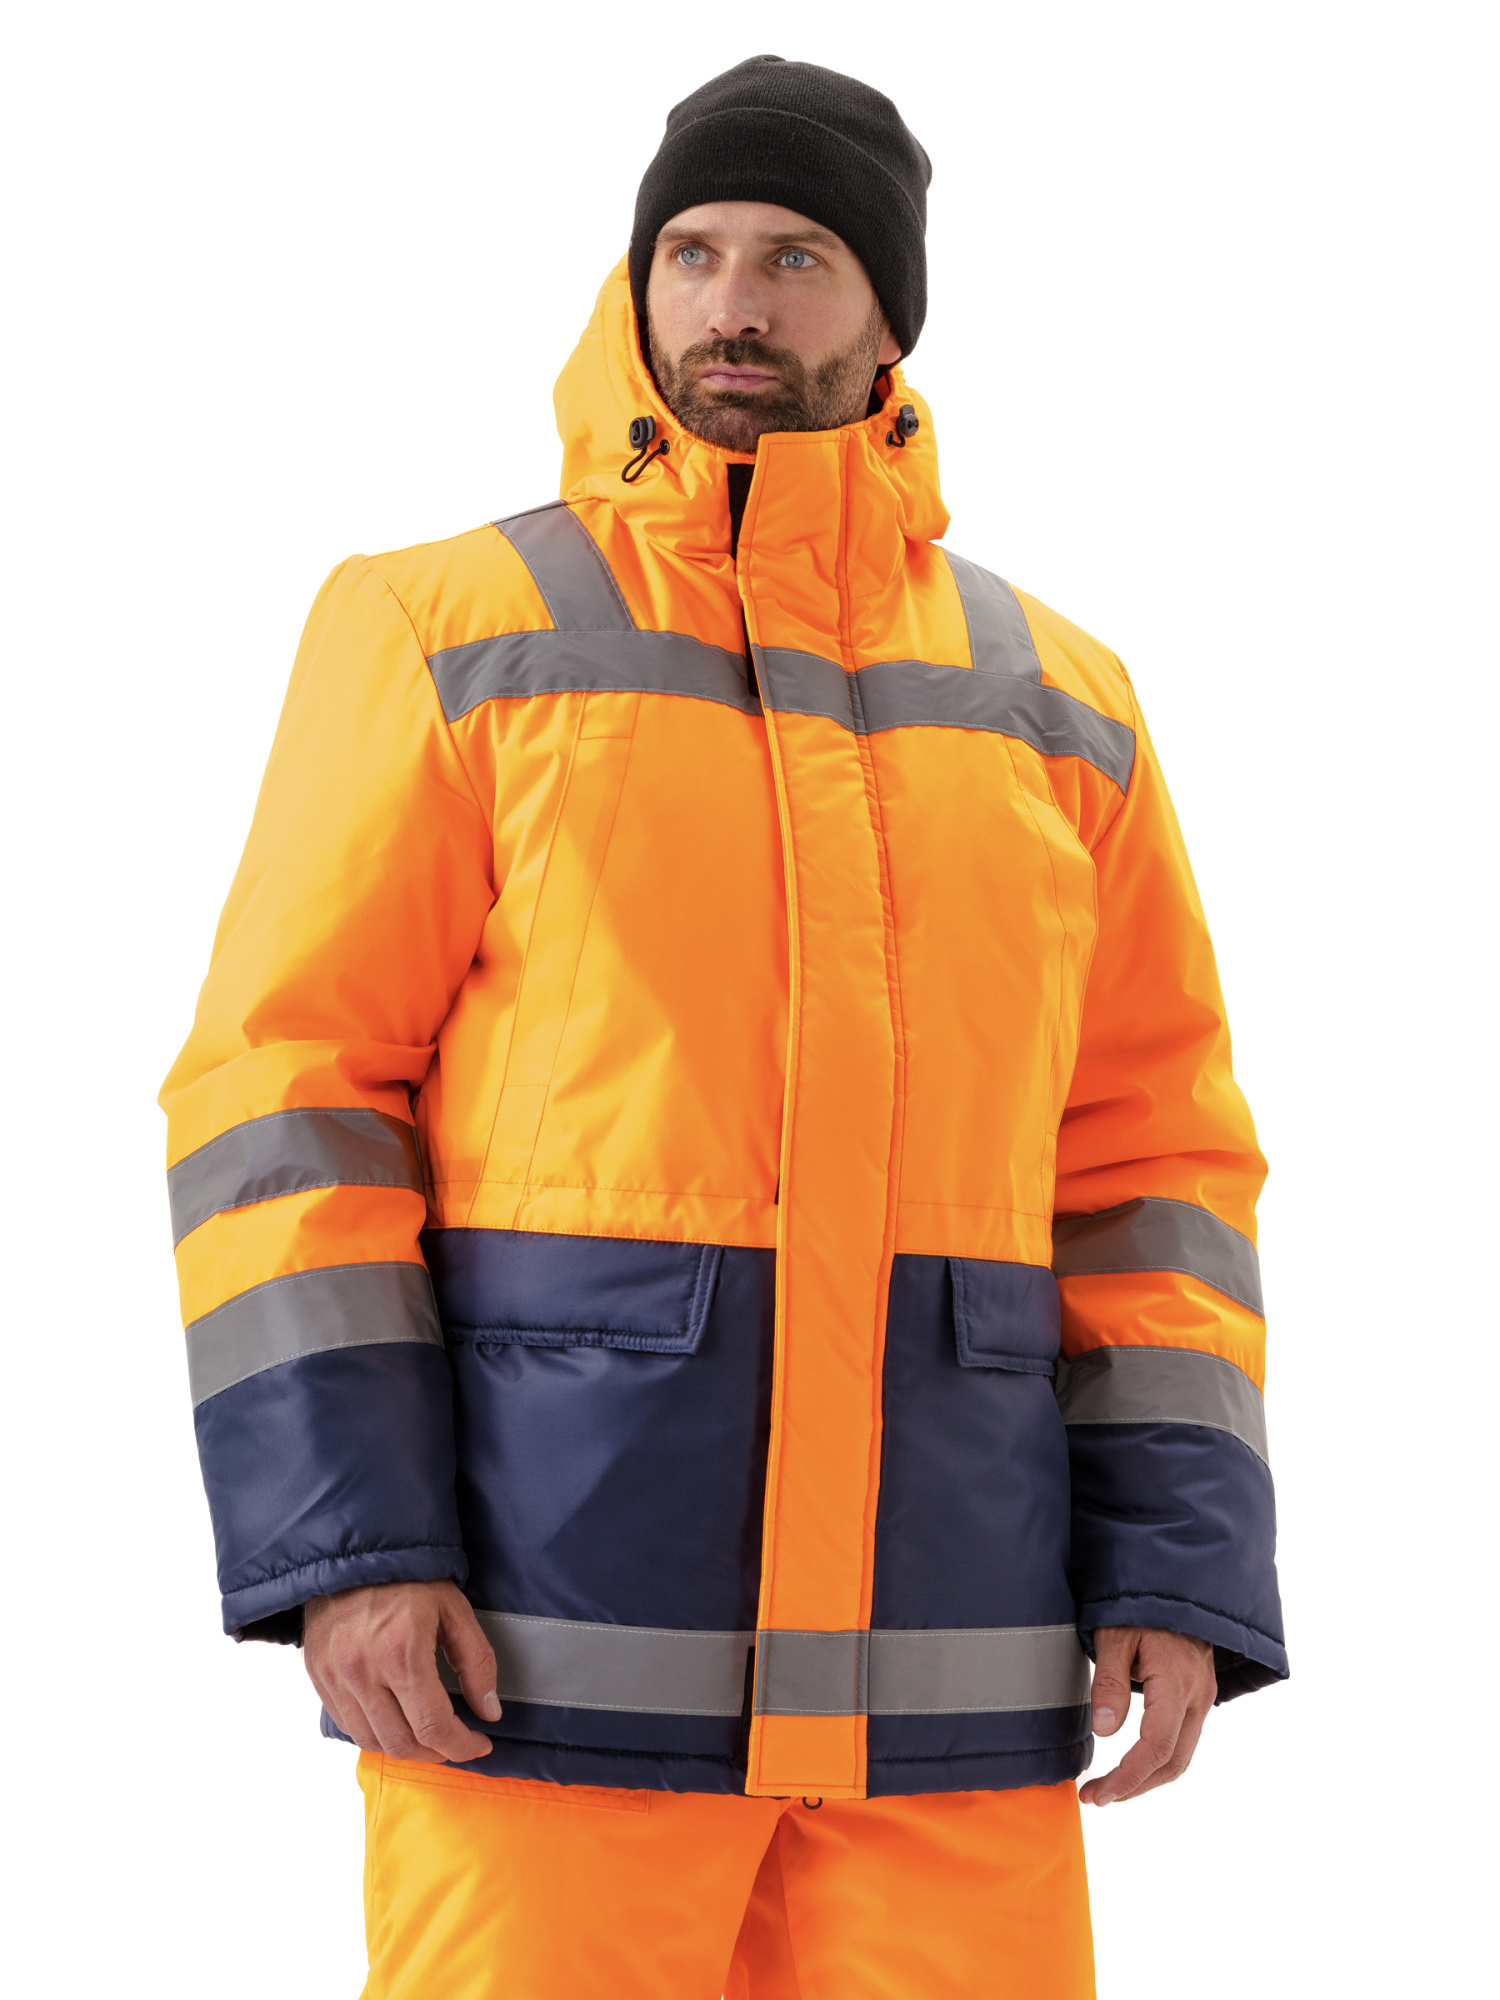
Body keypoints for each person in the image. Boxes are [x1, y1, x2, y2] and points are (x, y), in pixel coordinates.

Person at [161, 53, 1286, 1999]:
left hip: (953, 1686)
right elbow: (287, 1098)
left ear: (889, 320)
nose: (732, 305)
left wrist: (1176, 1565)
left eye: (793, 258)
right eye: (690, 253)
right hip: (545, 1661)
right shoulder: (454, 629)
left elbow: (1152, 1167)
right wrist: (350, 1548)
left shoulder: (1058, 700)